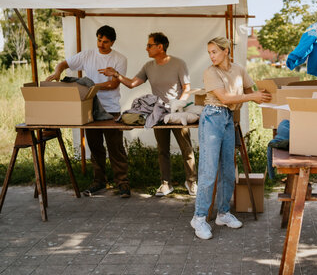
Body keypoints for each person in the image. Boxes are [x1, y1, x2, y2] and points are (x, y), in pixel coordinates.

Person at [190, 36, 271, 240]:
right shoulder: (210, 72)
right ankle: (199, 218)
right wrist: (252, 97)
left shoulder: (239, 70)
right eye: (209, 52)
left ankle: (223, 213)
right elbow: (225, 98)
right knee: (209, 171)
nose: (211, 56)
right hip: (212, 118)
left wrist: (269, 99)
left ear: (226, 50)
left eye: (214, 51)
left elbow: (252, 93)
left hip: (228, 119)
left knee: (227, 170)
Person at [99, 32, 197, 197]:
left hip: (177, 112)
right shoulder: (148, 66)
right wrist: (116, 75)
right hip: (158, 113)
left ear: (160, 47)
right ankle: (166, 184)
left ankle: (192, 182)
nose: (146, 48)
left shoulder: (179, 63)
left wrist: (178, 104)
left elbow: (187, 88)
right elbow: (131, 83)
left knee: (186, 149)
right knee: (162, 150)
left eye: (149, 45)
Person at [47, 25, 131, 198]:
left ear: (113, 42)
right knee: (95, 147)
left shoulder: (120, 59)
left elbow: (113, 84)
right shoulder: (87, 54)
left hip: (111, 110)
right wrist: (57, 73)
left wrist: (89, 86)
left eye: (105, 42)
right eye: (99, 40)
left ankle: (122, 183)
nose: (101, 44)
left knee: (116, 148)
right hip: (90, 110)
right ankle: (99, 182)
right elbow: (63, 64)